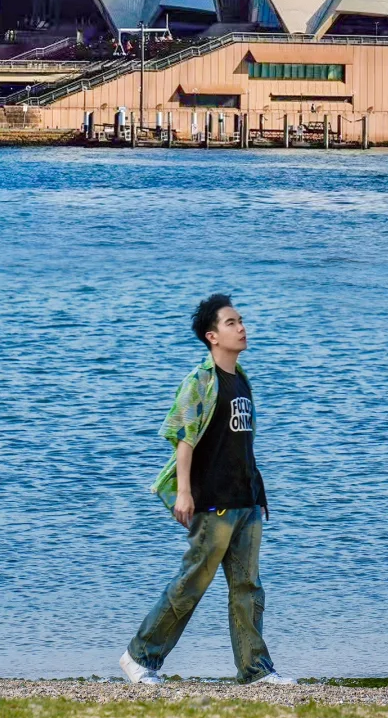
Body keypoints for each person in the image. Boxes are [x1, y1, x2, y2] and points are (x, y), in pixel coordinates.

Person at [119, 294, 293, 686]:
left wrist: (258, 492)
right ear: (212, 336)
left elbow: (241, 445)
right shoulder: (200, 381)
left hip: (245, 500)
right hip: (212, 501)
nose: (242, 328)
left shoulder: (241, 381)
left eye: (241, 321)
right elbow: (184, 437)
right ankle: (138, 657)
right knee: (192, 583)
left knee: (248, 588)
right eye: (232, 323)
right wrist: (184, 492)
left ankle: (255, 670)